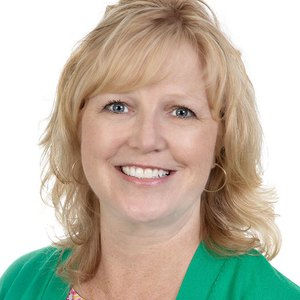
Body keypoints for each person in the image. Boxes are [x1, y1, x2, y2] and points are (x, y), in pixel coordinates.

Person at [0, 0, 299, 299]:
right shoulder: (20, 285)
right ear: (78, 126)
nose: (146, 139)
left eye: (181, 112)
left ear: (223, 141)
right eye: (118, 106)